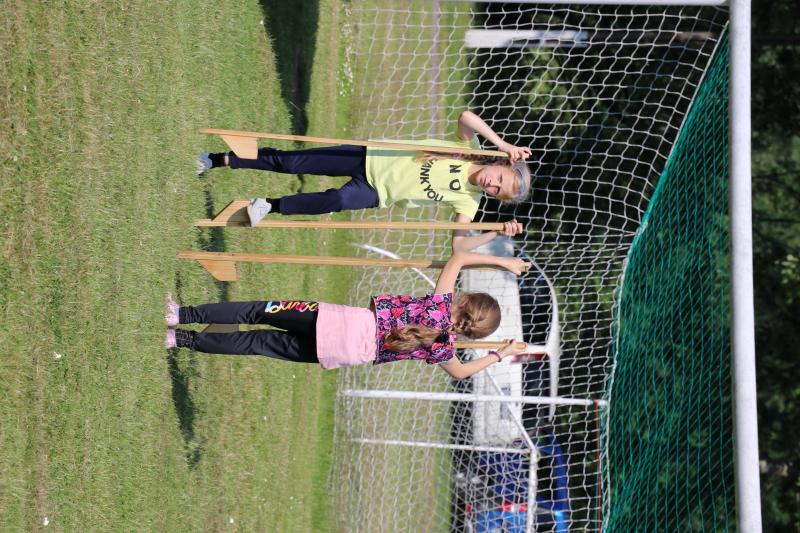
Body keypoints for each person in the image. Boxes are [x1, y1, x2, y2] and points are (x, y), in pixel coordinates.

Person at [165, 250, 530, 379]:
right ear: (470, 333)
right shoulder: (443, 349)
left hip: (334, 320)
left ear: (464, 302)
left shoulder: (438, 304)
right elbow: (462, 373)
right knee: (256, 344)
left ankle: (181, 314)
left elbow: (459, 257)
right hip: (340, 351)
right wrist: (500, 354)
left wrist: (504, 262)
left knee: (256, 311)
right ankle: (179, 340)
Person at [197, 111, 532, 247]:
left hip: (375, 191)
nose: (492, 185)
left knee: (338, 200)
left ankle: (269, 206)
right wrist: (503, 144)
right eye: (499, 178)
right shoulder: (467, 148)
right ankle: (218, 159)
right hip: (371, 155)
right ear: (500, 163)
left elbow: (458, 245)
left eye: (497, 191)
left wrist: (495, 231)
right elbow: (466, 117)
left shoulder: (468, 202)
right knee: (293, 162)